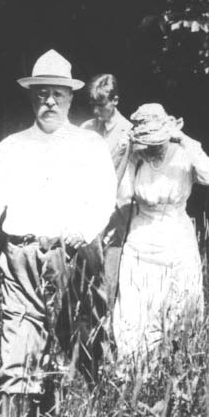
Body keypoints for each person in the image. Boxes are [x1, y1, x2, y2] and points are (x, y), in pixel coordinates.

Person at [0, 49, 116, 412]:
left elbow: (105, 198)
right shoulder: (13, 146)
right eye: (42, 93)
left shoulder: (90, 145)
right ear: (32, 97)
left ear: (71, 97)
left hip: (71, 256)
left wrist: (83, 229)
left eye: (58, 93)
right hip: (21, 258)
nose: (50, 101)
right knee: (18, 347)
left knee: (81, 342)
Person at [113, 103, 209, 367]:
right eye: (148, 141)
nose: (154, 146)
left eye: (158, 139)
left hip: (177, 237)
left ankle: (173, 367)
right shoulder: (137, 158)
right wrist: (126, 153)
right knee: (136, 309)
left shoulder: (183, 154)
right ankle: (136, 370)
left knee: (179, 304)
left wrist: (184, 139)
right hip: (141, 238)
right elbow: (122, 194)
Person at [80, 74, 133, 322]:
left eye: (101, 104)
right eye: (93, 105)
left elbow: (121, 177)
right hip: (86, 213)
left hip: (116, 215)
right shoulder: (86, 129)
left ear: (115, 100)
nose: (96, 110)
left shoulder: (128, 133)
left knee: (109, 281)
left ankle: (107, 341)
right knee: (83, 281)